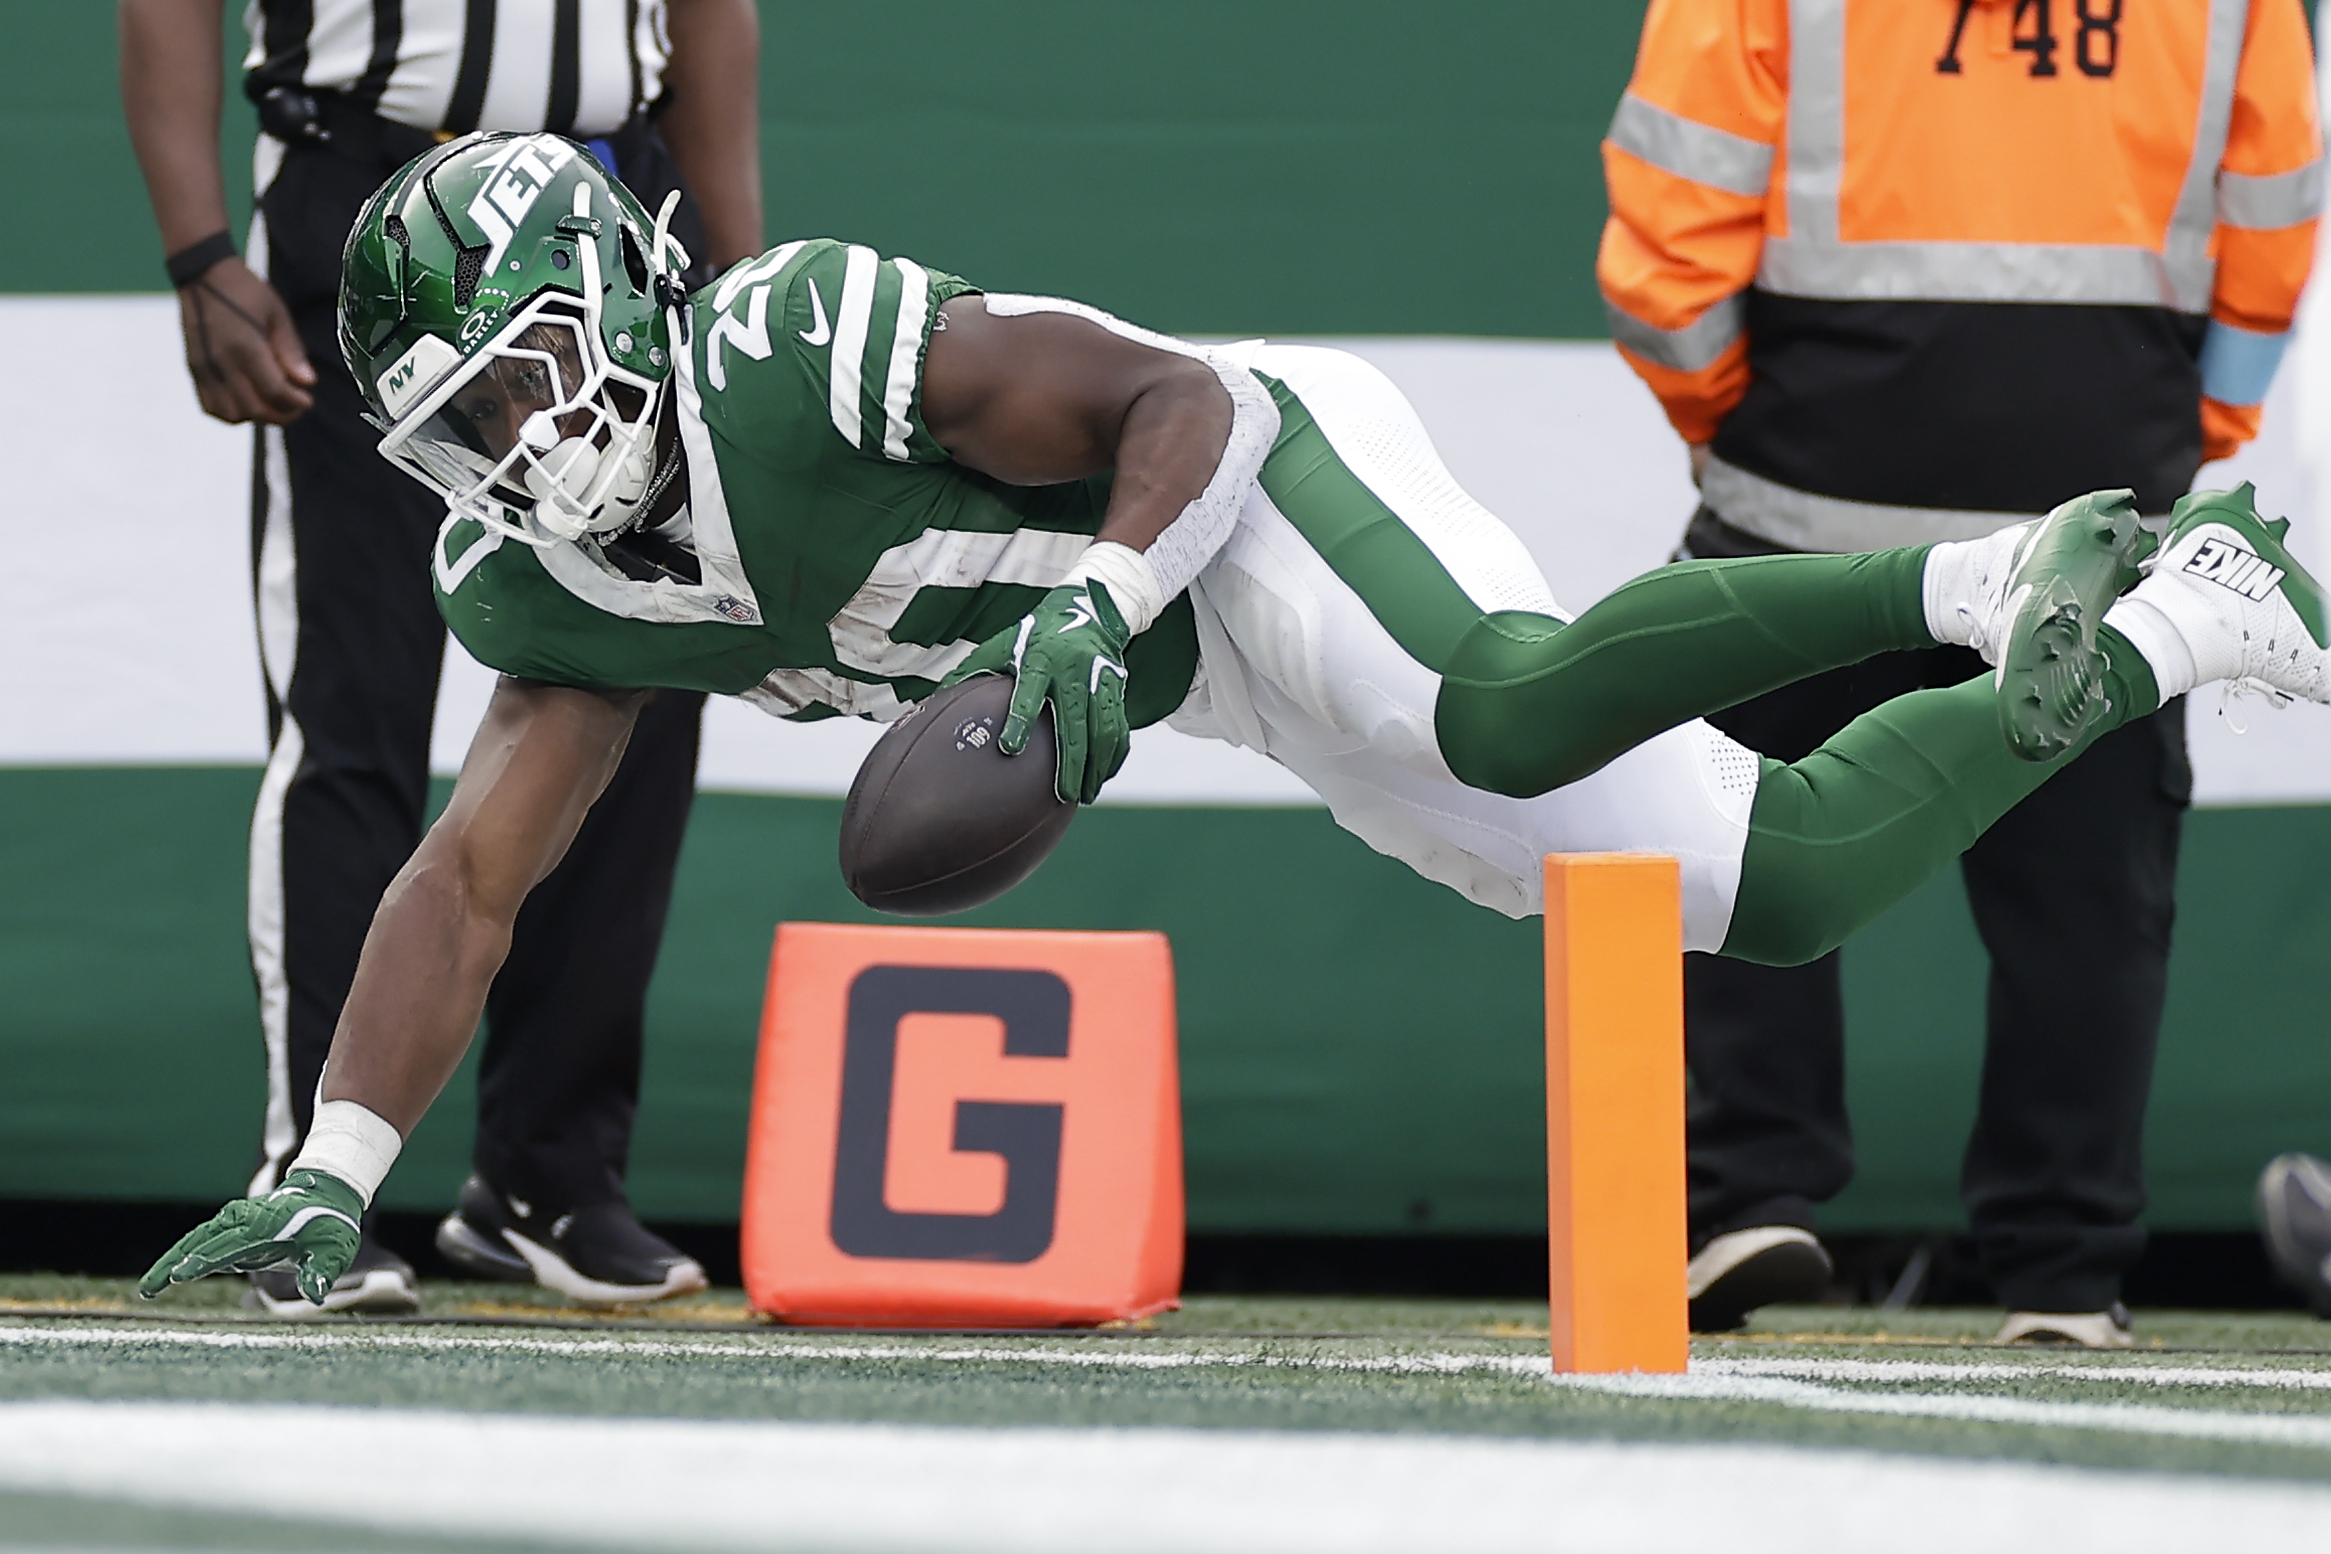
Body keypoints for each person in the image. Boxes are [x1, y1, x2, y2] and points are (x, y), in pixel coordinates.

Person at [136, 135, 2331, 1304]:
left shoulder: (786, 342)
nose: (507, 457)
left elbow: (1176, 398)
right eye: (455, 437)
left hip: (1239, 489)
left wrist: (1096, 597)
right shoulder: (539, 575)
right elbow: (467, 875)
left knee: (1495, 707)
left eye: (518, 388)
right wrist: (332, 1173)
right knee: (1774, 890)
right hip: (1199, 678)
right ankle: (2179, 627)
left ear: (610, 312)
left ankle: (1979, 576)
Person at [1598, 0, 2323, 1343]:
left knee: (1713, 815)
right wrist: (2185, 435)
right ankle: (2065, 1268)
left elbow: (1669, 235)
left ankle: (1749, 1192)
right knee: (2088, 894)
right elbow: (2274, 222)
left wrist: (1732, 432)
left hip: (1808, 486)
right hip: (2094, 489)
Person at [117, 0, 763, 1313]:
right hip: (384, 204)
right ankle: (312, 1176)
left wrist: (738, 280)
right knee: (355, 695)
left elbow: (710, 13)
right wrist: (196, 247)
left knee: (642, 670)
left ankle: (548, 1172)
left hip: (609, 193)